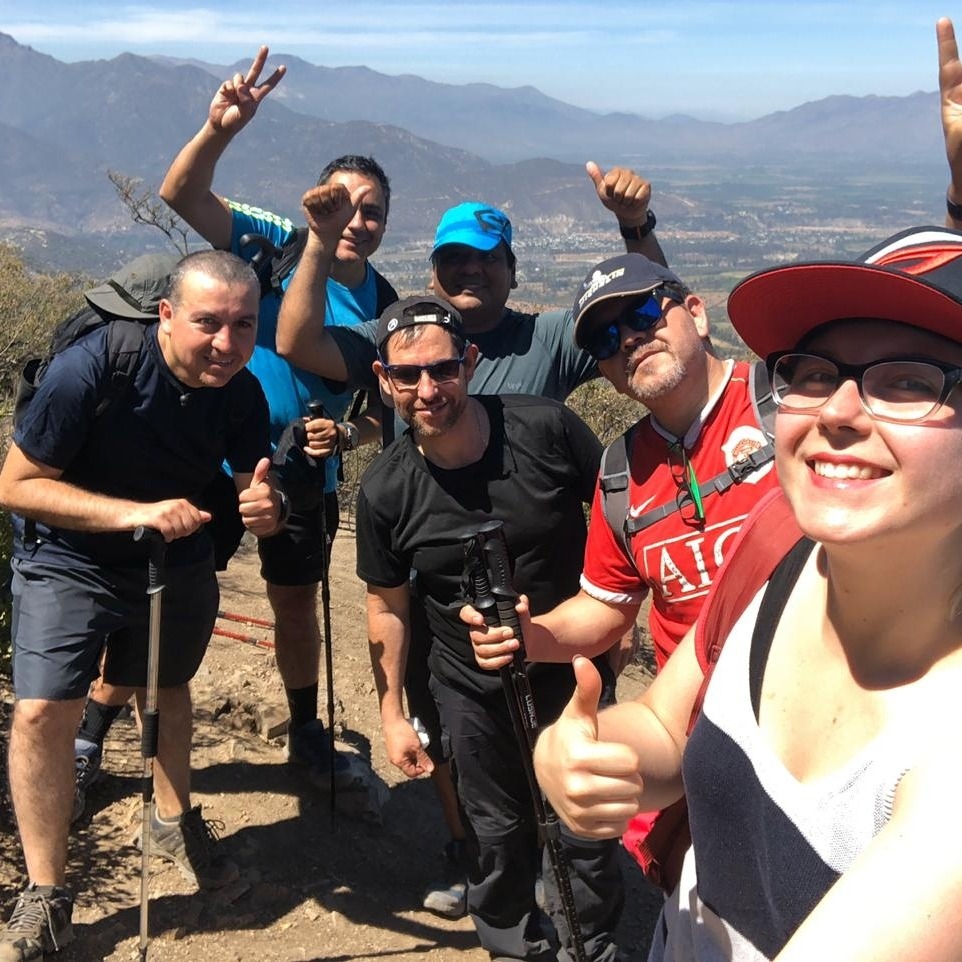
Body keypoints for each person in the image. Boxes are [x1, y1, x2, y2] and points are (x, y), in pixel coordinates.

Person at [531, 220, 962, 960]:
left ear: (693, 312)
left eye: (909, 383)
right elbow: (670, 728)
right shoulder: (777, 541)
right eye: (817, 373)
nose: (837, 411)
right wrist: (579, 751)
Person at [276, 162, 666, 913]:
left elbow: (643, 322)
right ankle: (478, 856)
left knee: (561, 727)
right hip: (429, 573)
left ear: (512, 271)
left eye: (487, 259)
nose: (470, 271)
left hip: (542, 579)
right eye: (456, 259)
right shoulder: (398, 334)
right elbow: (296, 340)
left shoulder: (546, 343)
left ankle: (563, 868)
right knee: (449, 732)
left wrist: (635, 230)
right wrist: (321, 243)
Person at [0, 250, 283, 962]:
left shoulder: (241, 393)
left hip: (174, 554)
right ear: (166, 315)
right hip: (70, 555)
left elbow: (256, 488)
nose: (226, 343)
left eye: (244, 325)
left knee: (168, 690)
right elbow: (17, 484)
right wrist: (138, 512)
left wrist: (267, 507)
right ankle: (45, 891)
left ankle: (171, 820)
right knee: (42, 709)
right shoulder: (91, 370)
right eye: (208, 323)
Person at [155, 46, 395, 806]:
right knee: (163, 587)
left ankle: (302, 729)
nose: (356, 219)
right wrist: (220, 129)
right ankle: (100, 725)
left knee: (294, 599)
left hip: (298, 475)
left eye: (372, 211)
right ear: (317, 198)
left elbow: (376, 416)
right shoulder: (272, 240)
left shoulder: (383, 301)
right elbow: (182, 192)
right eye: (344, 202)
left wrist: (344, 440)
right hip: (210, 453)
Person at [356, 295, 623, 962]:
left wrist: (616, 621)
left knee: (581, 821)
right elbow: (386, 606)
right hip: (467, 686)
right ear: (383, 379)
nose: (428, 390)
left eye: (443, 370)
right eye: (408, 376)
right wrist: (393, 713)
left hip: (573, 668)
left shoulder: (546, 429)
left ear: (470, 363)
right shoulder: (387, 491)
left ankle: (589, 944)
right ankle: (512, 943)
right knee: (497, 829)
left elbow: (620, 523)